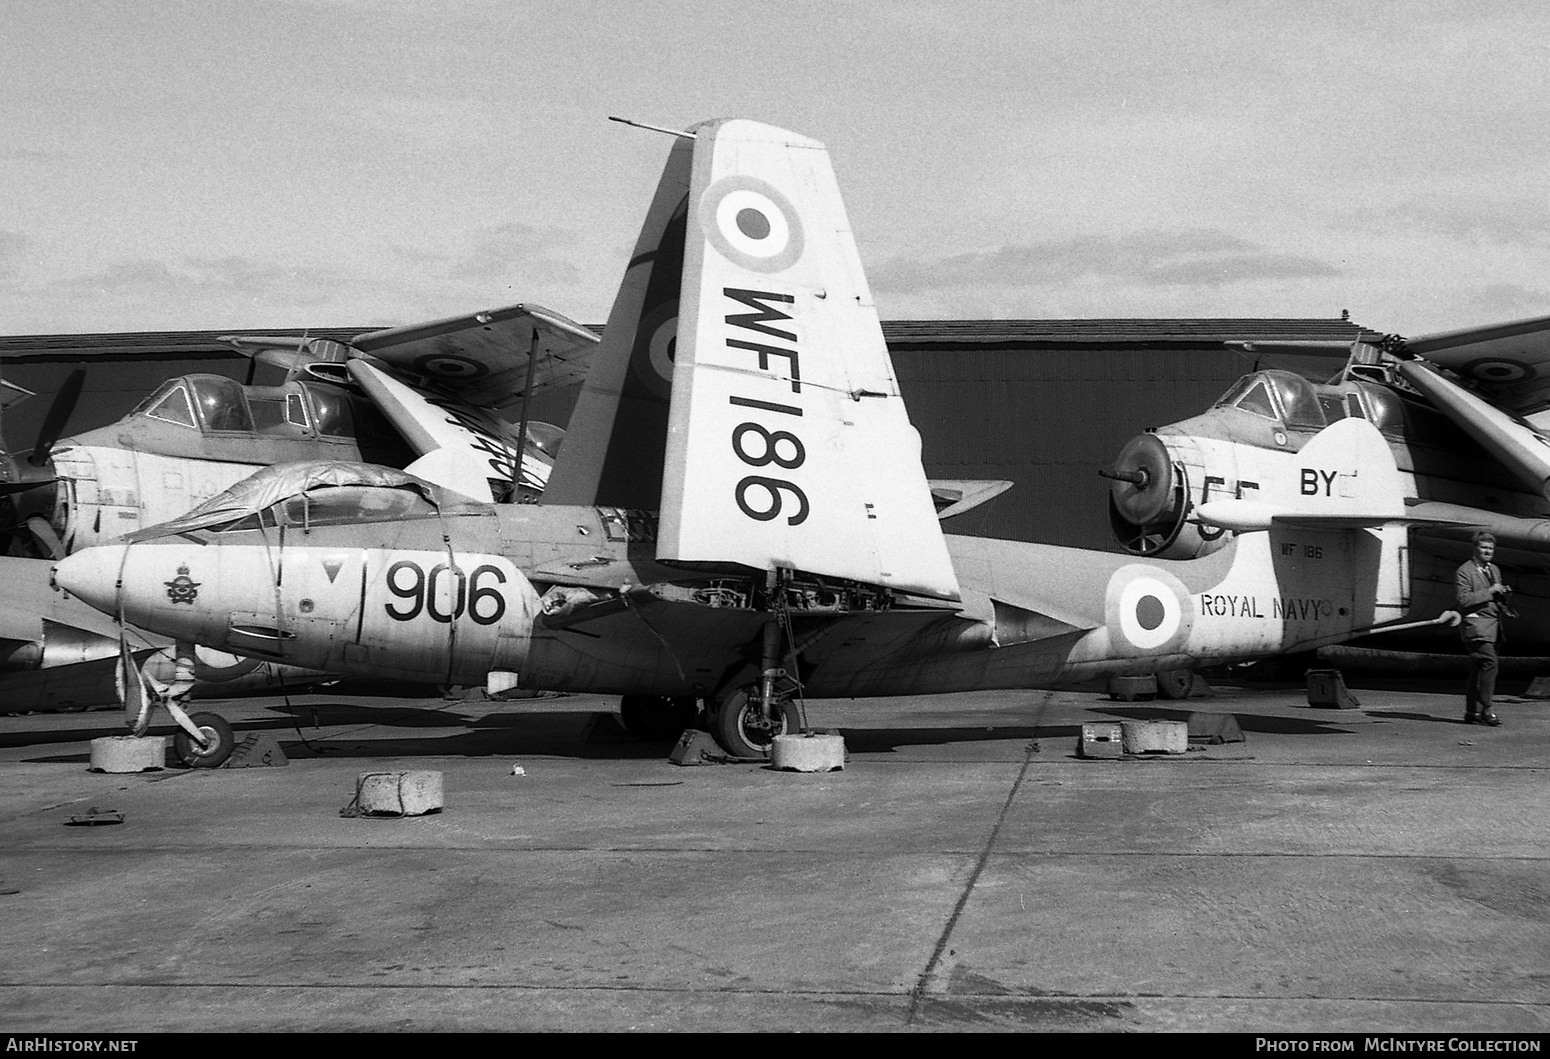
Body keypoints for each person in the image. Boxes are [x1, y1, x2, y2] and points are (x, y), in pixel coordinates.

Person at [1455, 531, 1509, 726]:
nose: (1487, 551)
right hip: (1475, 627)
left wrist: (1502, 594)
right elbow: (1463, 600)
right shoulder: (1464, 571)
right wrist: (1490, 591)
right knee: (1490, 663)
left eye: (1490, 548)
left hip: (1493, 627)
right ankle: (1487, 708)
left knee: (1478, 669)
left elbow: (1494, 596)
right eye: (1483, 548)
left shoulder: (1494, 569)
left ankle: (1471, 712)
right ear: (1475, 549)